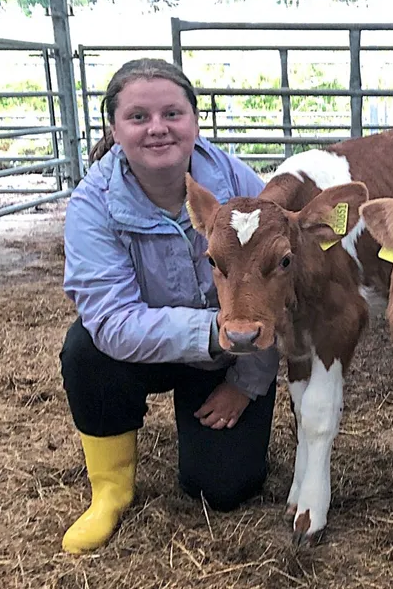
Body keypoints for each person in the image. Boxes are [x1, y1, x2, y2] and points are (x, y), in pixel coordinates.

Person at [59, 58, 280, 555]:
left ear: (194, 122)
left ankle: (209, 438)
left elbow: (278, 291)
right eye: (138, 117)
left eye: (172, 114)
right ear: (113, 128)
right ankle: (110, 490)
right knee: (84, 348)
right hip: (151, 352)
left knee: (224, 490)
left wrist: (246, 382)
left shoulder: (240, 186)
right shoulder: (92, 204)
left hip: (231, 356)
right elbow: (113, 320)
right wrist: (214, 332)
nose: (157, 128)